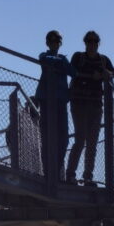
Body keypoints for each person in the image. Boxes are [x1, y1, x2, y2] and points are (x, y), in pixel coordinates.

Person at [65, 30, 114, 185]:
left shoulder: (103, 60)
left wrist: (105, 74)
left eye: (95, 42)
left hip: (95, 105)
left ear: (98, 43)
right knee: (80, 139)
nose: (92, 44)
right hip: (79, 103)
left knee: (92, 143)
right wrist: (90, 76)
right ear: (85, 42)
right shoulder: (78, 57)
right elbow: (71, 71)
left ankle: (88, 176)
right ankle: (70, 174)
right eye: (89, 41)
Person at [35, 30, 73, 180]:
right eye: (51, 41)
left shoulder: (63, 58)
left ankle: (56, 171)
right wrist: (60, 64)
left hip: (61, 100)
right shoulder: (44, 55)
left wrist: (61, 63)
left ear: (60, 43)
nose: (54, 44)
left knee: (63, 138)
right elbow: (46, 62)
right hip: (46, 99)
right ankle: (47, 172)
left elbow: (72, 72)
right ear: (47, 43)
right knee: (47, 137)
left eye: (57, 42)